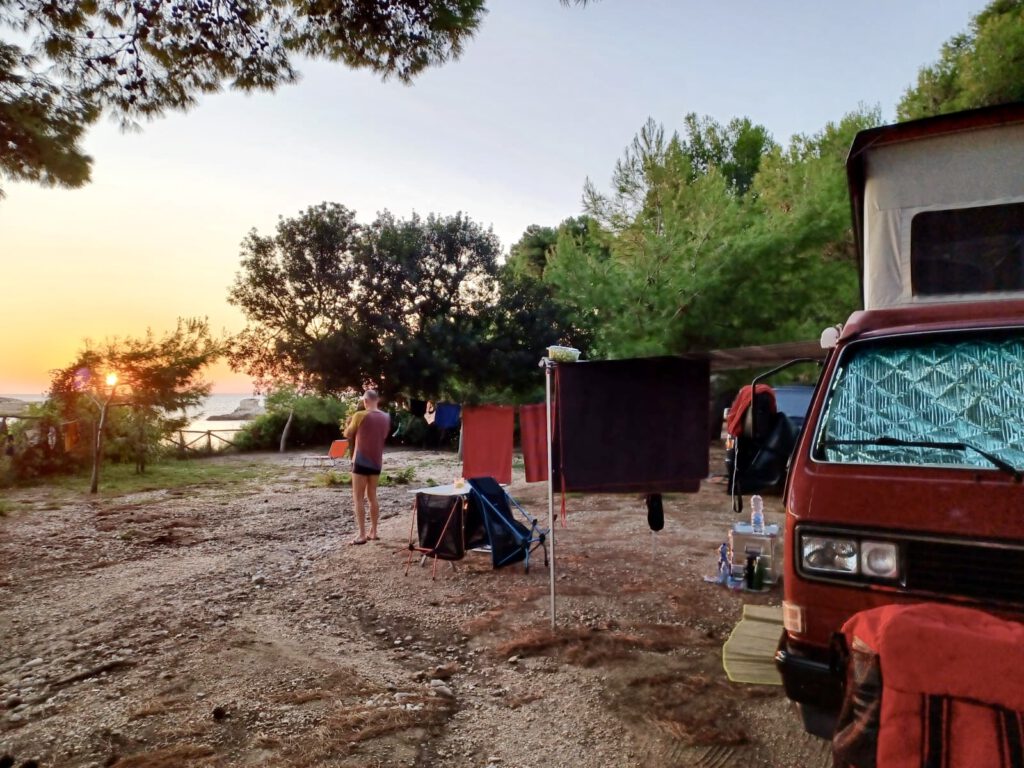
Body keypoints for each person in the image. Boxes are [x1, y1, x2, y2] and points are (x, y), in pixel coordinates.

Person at [343, 389, 390, 545]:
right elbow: (381, 435)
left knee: (358, 498)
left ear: (365, 401)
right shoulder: (386, 417)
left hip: (361, 461)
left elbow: (348, 434)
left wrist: (349, 423)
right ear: (378, 400)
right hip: (377, 461)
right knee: (372, 496)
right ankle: (374, 532)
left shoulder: (360, 415)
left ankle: (362, 534)